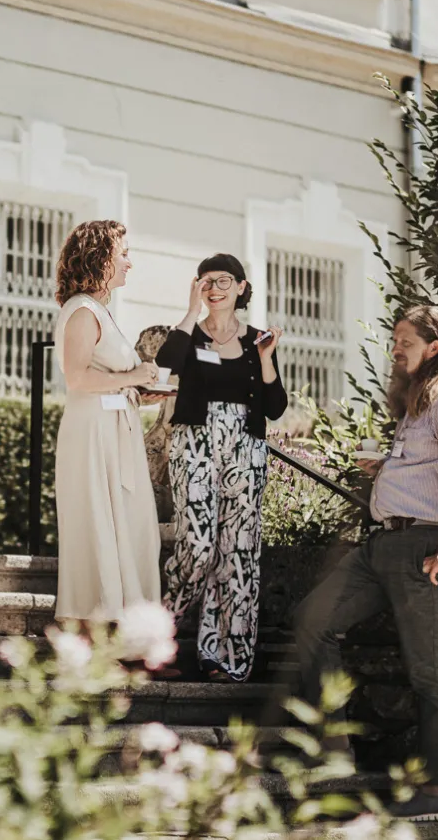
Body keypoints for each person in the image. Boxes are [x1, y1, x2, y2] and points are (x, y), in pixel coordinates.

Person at [289, 305, 438, 823]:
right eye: (394, 339)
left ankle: (435, 790)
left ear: (434, 346)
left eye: (404, 340)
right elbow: (432, 470)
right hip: (383, 546)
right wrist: (387, 467)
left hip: (426, 549)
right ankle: (332, 748)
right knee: (313, 618)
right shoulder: (416, 402)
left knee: (430, 676)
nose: (395, 348)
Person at [155, 254, 287, 682]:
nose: (214, 287)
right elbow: (165, 361)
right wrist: (192, 311)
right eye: (206, 281)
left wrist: (267, 357)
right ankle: (156, 636)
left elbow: (275, 408)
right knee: (197, 545)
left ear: (242, 287)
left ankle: (221, 657)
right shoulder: (189, 336)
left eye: (224, 280)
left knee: (237, 554)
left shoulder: (257, 340)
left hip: (246, 452)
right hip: (195, 445)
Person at [52, 220, 163, 624]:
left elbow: (108, 378)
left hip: (116, 432)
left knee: (131, 529)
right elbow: (78, 377)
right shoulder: (81, 310)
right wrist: (133, 377)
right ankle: (93, 635)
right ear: (101, 256)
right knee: (99, 527)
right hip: (93, 436)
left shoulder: (101, 310)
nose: (130, 262)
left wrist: (140, 390)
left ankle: (130, 634)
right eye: (124, 253)